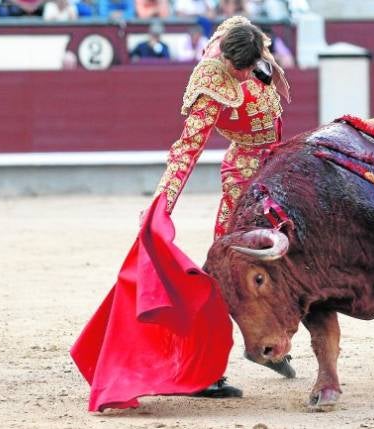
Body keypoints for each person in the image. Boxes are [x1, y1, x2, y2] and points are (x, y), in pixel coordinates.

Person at [70, 16, 292, 412]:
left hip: (279, 164)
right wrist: (162, 202)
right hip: (243, 174)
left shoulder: (240, 31)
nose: (244, 76)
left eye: (251, 66)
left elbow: (246, 30)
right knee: (231, 265)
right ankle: (207, 371)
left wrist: (269, 62)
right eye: (240, 71)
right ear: (228, 63)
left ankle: (278, 336)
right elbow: (186, 151)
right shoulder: (211, 88)